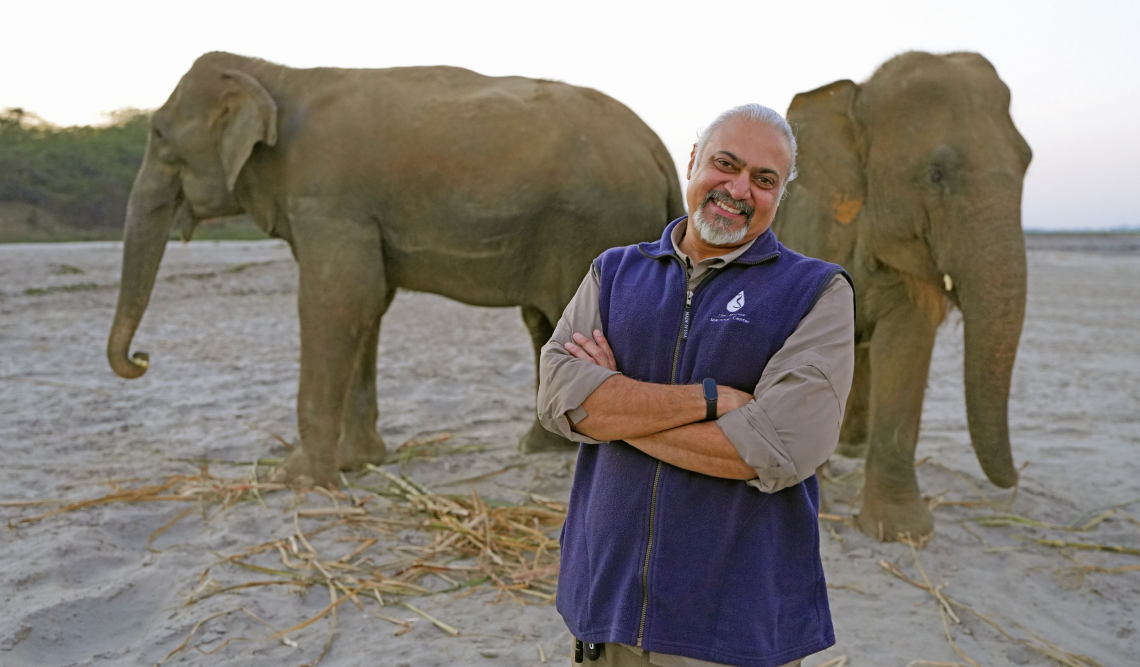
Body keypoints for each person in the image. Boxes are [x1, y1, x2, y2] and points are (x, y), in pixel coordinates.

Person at [536, 104, 856, 667]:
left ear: (781, 193)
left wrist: (611, 409)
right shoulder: (613, 273)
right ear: (693, 161)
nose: (737, 189)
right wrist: (709, 401)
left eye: (764, 179)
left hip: (734, 631)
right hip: (605, 610)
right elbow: (558, 395)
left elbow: (777, 448)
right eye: (724, 164)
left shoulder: (818, 292)